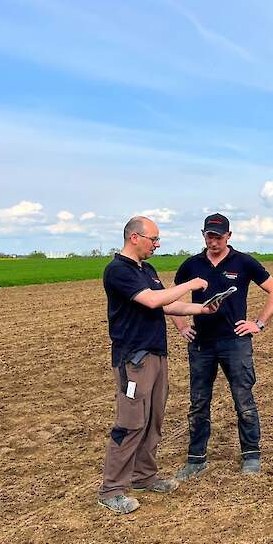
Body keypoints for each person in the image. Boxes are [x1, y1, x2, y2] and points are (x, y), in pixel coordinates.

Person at [98, 215, 220, 515]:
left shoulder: (147, 270)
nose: (157, 243)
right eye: (154, 239)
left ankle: (144, 476)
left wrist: (201, 308)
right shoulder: (117, 271)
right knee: (130, 423)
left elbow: (166, 304)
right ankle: (111, 489)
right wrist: (191, 284)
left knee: (153, 419)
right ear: (134, 238)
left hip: (156, 354)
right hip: (133, 359)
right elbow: (152, 301)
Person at [170, 213, 273, 478]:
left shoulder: (244, 262)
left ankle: (251, 456)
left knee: (243, 399)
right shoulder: (191, 265)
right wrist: (182, 326)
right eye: (209, 236)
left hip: (235, 342)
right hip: (201, 344)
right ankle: (196, 460)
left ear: (229, 236)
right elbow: (170, 299)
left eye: (219, 237)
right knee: (199, 402)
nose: (214, 241)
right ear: (203, 235)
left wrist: (258, 323)